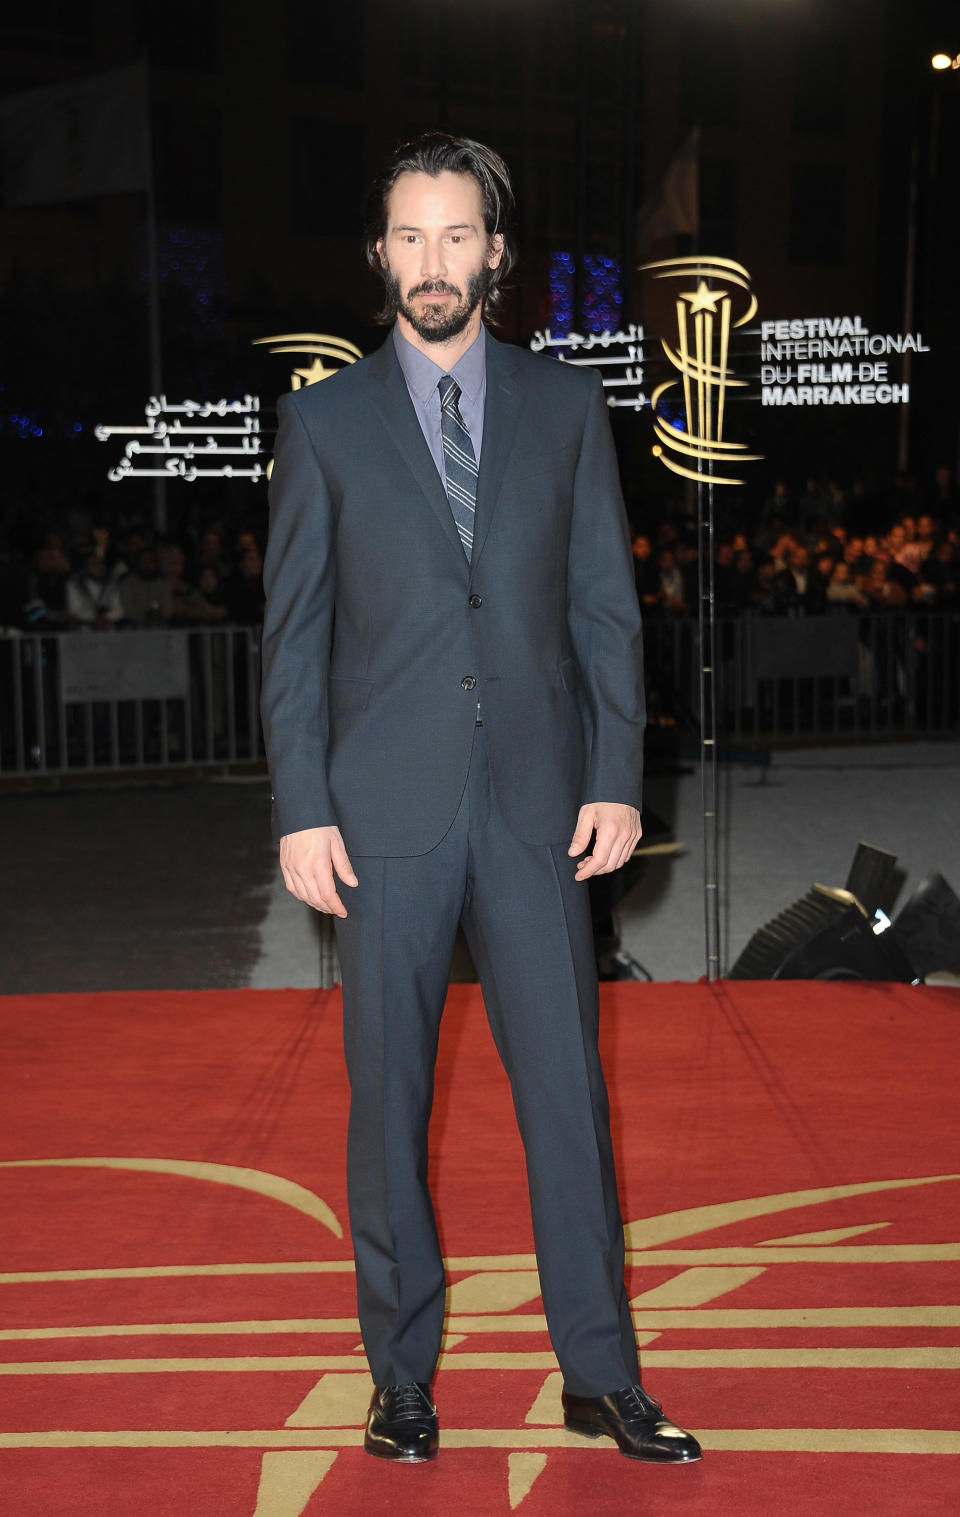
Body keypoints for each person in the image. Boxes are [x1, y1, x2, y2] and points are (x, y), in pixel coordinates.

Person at [260, 133, 700, 1469]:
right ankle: (400, 1376)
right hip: (378, 808)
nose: (435, 262)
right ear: (381, 254)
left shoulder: (566, 411)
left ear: (496, 256)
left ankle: (601, 1374)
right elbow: (293, 635)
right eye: (412, 237)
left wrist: (617, 775)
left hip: (535, 802)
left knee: (567, 1093)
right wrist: (298, 804)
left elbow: (604, 615)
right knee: (385, 1103)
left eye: (460, 237)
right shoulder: (325, 420)